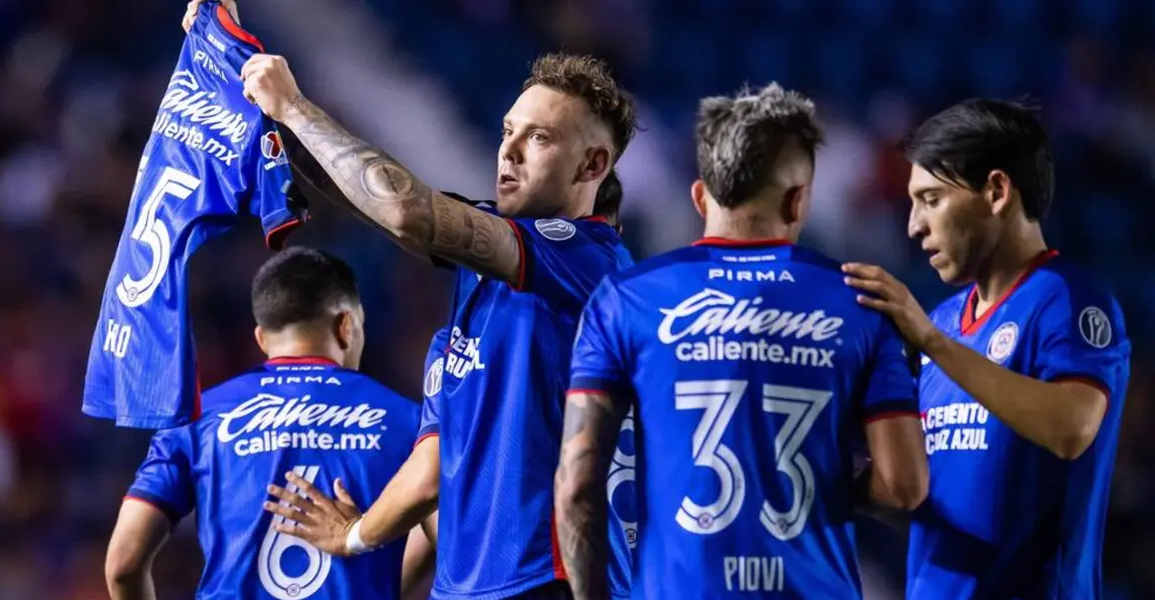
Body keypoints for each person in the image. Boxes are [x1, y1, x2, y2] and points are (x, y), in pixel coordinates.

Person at [221, 2, 637, 596]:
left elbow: (409, 211)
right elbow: (433, 474)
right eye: (506, 132)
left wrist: (293, 105)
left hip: (549, 581)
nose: (509, 152)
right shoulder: (475, 299)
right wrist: (360, 539)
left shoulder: (587, 259)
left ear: (592, 165)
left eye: (538, 138)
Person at [556, 83, 929, 600]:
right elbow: (904, 486)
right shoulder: (864, 304)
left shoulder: (625, 298)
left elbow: (577, 487)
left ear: (700, 194)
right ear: (799, 201)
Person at [842, 99, 1131, 600]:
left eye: (931, 199)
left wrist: (933, 344)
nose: (914, 225)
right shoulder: (943, 321)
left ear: (997, 191)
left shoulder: (1067, 300)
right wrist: (844, 485)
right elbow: (937, 506)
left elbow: (1071, 428)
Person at [104, 247, 431, 600]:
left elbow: (123, 563)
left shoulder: (195, 420)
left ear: (261, 338)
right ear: (347, 325)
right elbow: (454, 541)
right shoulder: (411, 422)